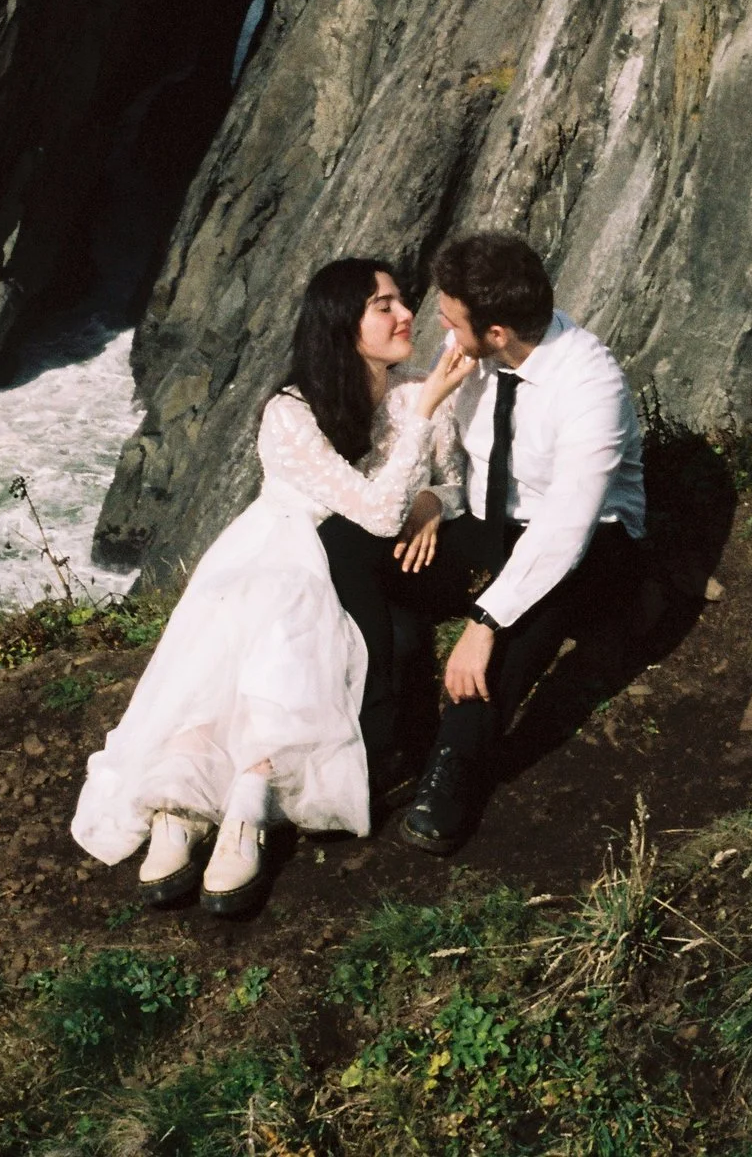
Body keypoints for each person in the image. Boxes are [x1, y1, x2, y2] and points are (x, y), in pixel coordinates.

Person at [70, 259, 473, 914]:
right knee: (237, 660)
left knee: (291, 656)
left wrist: (431, 498)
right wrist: (424, 420)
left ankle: (248, 807)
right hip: (277, 546)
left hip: (348, 561)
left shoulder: (414, 396)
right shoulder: (290, 413)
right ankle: (181, 805)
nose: (406, 316)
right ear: (343, 326)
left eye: (402, 300)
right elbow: (371, 510)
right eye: (384, 305)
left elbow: (449, 484)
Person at [374, 231, 647, 855]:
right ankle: (395, 723)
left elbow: (565, 526)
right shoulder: (474, 349)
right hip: (492, 519)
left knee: (530, 611)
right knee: (374, 561)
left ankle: (454, 765)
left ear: (497, 331)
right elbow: (459, 457)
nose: (435, 324)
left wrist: (487, 618)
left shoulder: (590, 385)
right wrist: (435, 503)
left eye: (450, 316)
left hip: (593, 538)